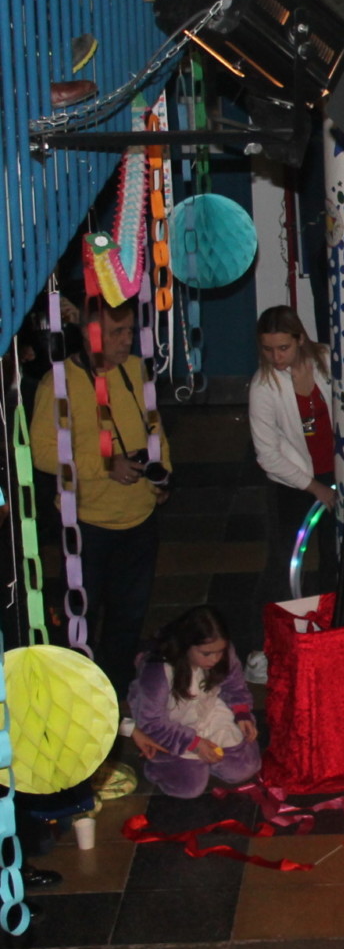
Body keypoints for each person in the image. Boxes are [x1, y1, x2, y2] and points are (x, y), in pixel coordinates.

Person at [32, 298, 170, 701]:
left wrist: (163, 473)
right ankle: (80, 698)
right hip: (88, 525)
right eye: (116, 333)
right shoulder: (59, 383)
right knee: (82, 619)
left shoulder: (136, 369)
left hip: (139, 520)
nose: (126, 340)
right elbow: (43, 453)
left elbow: (155, 429)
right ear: (88, 334)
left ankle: (117, 693)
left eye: (129, 331)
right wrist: (105, 466)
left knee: (129, 617)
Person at [247, 306, 339, 613]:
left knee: (335, 554)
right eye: (268, 349)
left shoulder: (327, 359)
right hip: (291, 484)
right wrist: (314, 487)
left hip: (336, 472)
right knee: (284, 562)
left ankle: (332, 617)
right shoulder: (263, 386)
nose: (276, 357)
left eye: (283, 348)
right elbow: (268, 455)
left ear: (300, 339)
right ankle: (273, 628)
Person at [127, 607, 261, 799]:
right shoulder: (158, 672)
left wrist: (242, 712)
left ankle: (205, 759)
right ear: (186, 645)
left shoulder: (221, 651)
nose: (215, 659)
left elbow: (234, 684)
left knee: (244, 768)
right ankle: (160, 765)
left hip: (209, 712)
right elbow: (151, 722)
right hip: (172, 728)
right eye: (206, 654)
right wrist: (193, 743)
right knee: (189, 788)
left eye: (220, 652)